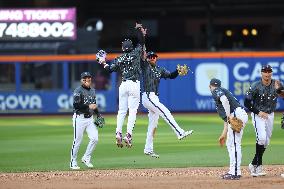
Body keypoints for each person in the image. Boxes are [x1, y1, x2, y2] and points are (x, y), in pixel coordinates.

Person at [97, 23, 146, 148]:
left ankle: (118, 132)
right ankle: (128, 135)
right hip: (134, 84)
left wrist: (103, 62)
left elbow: (109, 70)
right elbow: (141, 41)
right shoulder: (136, 53)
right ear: (131, 47)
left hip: (123, 85)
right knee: (133, 111)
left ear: (123, 48)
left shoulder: (119, 58)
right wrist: (140, 30)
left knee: (121, 111)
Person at [141, 51, 193, 158]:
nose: (152, 58)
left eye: (154, 57)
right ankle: (180, 132)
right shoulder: (145, 66)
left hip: (154, 97)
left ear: (156, 58)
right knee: (165, 112)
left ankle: (148, 148)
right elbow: (142, 57)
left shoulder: (160, 69)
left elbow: (170, 76)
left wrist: (178, 71)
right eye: (150, 57)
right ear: (147, 58)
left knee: (153, 125)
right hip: (148, 96)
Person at [244, 64, 284, 177]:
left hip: (270, 115)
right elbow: (246, 102)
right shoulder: (256, 85)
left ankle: (253, 163)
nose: (267, 73)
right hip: (259, 115)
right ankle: (258, 167)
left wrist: (280, 90)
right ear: (261, 73)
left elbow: (283, 96)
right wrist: (258, 112)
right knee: (261, 138)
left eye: (269, 71)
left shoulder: (277, 84)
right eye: (265, 71)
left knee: (266, 142)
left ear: (271, 73)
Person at [209, 78, 248, 180]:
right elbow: (226, 120)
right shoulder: (222, 90)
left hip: (235, 114)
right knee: (230, 143)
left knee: (234, 143)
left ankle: (235, 172)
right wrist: (223, 134)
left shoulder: (215, 90)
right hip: (236, 114)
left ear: (210, 86)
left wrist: (229, 116)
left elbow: (225, 100)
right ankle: (233, 171)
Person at [70, 71, 101, 170]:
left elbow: (94, 105)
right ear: (81, 80)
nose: (87, 79)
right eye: (85, 78)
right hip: (79, 118)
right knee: (77, 141)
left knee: (95, 138)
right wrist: (88, 106)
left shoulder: (93, 90)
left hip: (90, 119)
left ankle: (86, 157)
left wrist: (98, 115)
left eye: (88, 77)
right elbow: (76, 105)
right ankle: (73, 162)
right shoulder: (78, 90)